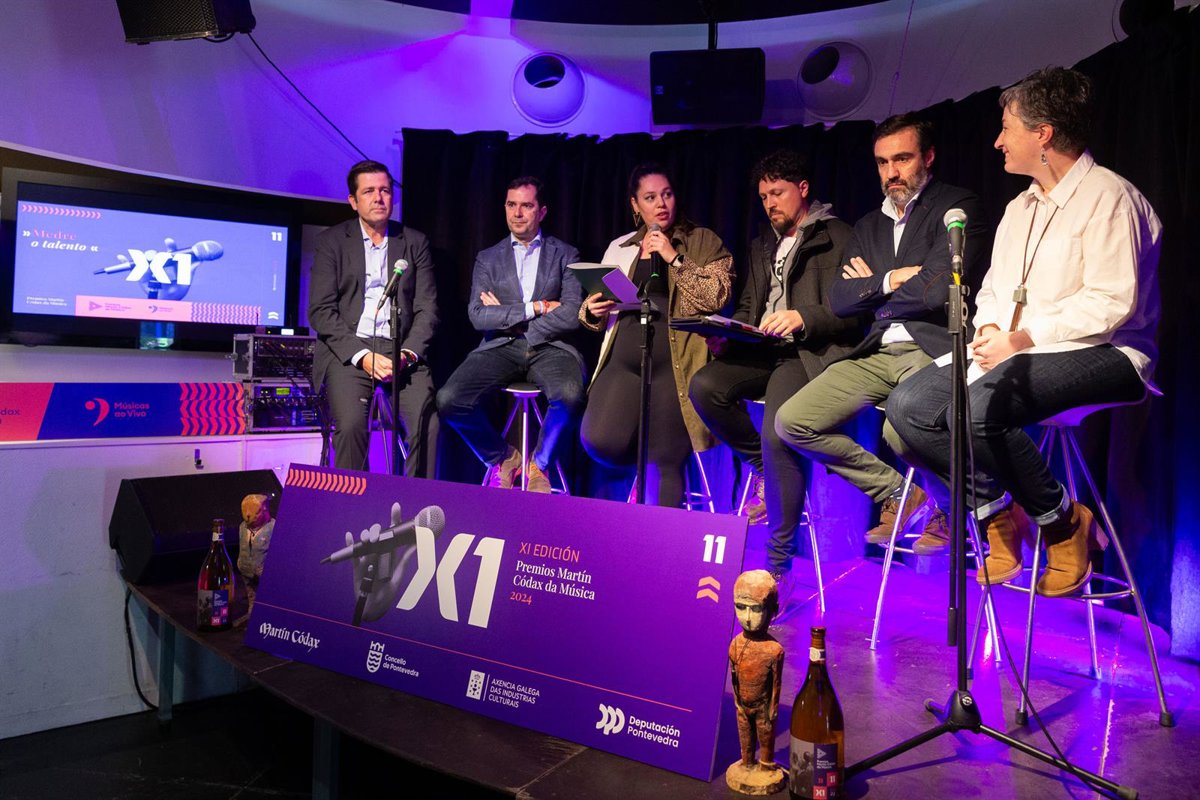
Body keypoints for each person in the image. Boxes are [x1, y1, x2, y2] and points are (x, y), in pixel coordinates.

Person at [887, 67, 1161, 597]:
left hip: (1109, 352)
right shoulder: (1020, 207)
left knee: (980, 409)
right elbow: (993, 287)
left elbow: (1112, 302)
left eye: (1007, 127)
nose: (997, 141)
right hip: (1019, 351)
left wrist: (1023, 337)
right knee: (908, 408)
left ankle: (1062, 522)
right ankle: (997, 512)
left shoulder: (1109, 197)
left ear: (1043, 134)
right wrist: (992, 326)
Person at [773, 114, 989, 554]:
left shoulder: (956, 206)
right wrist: (892, 279)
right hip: (875, 350)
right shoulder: (869, 225)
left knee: (899, 432)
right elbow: (840, 299)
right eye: (882, 162)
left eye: (902, 159)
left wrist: (873, 292)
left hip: (929, 347)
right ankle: (899, 493)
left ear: (928, 157)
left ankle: (952, 511)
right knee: (792, 422)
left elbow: (937, 289)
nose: (892, 172)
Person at [689, 150, 861, 583]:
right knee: (705, 386)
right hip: (762, 349)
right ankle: (765, 467)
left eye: (778, 193)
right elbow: (751, 305)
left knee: (776, 431)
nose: (770, 203)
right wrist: (729, 333)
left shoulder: (838, 236)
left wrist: (804, 318)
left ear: (803, 189)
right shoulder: (762, 243)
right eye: (764, 196)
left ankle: (778, 565)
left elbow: (853, 311)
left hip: (805, 351)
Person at [579, 163, 733, 507]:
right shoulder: (620, 247)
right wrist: (592, 309)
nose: (661, 204)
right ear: (635, 204)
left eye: (667, 194)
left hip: (675, 365)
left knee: (666, 458)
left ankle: (660, 530)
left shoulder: (702, 241)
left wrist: (673, 258)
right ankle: (641, 470)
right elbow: (595, 308)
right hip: (624, 358)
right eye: (650, 198)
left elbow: (716, 296)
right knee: (599, 438)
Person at [436, 177, 585, 492]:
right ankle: (503, 457)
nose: (517, 213)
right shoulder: (488, 258)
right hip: (502, 345)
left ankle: (540, 464)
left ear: (541, 212)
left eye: (526, 206)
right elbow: (478, 316)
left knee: (571, 397)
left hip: (551, 347)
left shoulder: (566, 254)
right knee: (449, 400)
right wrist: (537, 307)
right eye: (511, 205)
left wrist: (508, 316)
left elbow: (573, 313)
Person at [309, 160, 439, 476]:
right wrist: (363, 356)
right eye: (369, 191)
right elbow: (321, 310)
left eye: (385, 190)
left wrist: (406, 354)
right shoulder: (331, 242)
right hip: (351, 351)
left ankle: (416, 500)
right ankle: (352, 501)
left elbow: (428, 309)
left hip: (402, 350)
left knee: (427, 423)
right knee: (351, 425)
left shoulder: (415, 242)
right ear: (353, 201)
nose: (379, 198)